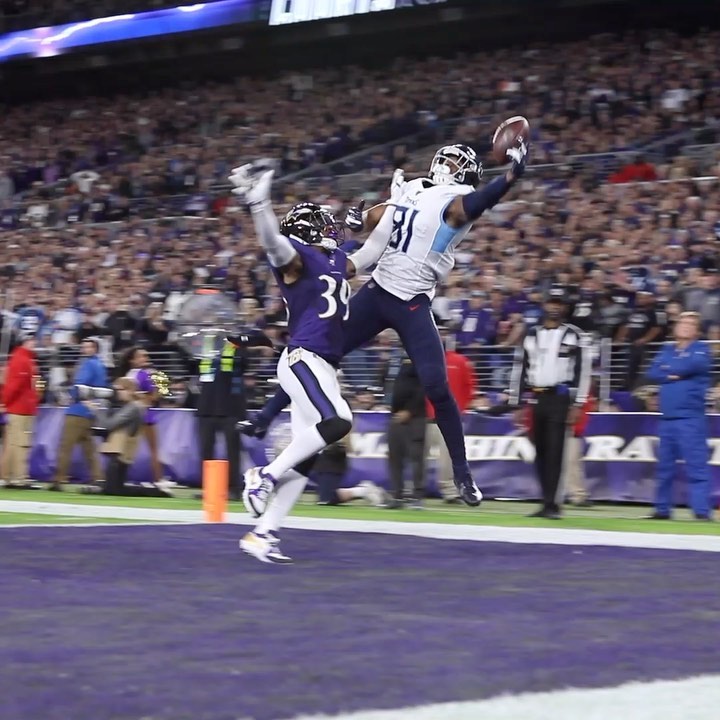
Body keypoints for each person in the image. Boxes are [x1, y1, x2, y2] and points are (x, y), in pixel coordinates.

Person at [242, 137, 529, 507]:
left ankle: (462, 473)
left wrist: (509, 178)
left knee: (437, 386)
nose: (450, 167)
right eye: (449, 160)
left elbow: (473, 205)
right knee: (318, 349)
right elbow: (383, 215)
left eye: (457, 163)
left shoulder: (458, 198)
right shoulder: (416, 187)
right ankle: (265, 416)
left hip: (411, 302)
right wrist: (361, 220)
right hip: (378, 290)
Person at [229, 163, 355, 564]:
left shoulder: (333, 262)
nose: (328, 228)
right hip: (304, 357)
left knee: (308, 454)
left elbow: (370, 252)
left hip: (322, 363)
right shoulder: (295, 255)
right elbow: (271, 241)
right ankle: (263, 475)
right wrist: (259, 203)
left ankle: (263, 533)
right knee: (338, 421)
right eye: (319, 222)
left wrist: (395, 207)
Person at [509, 286, 592, 519]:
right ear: (544, 305)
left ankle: (554, 504)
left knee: (556, 452)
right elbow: (520, 368)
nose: (554, 307)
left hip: (560, 397)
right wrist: (517, 402)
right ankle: (545, 501)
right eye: (551, 303)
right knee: (541, 452)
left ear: (565, 308)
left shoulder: (574, 335)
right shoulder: (531, 334)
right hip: (537, 397)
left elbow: (583, 371)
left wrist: (578, 403)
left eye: (559, 304)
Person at [645, 311, 713, 520]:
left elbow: (690, 366)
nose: (684, 326)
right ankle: (662, 509)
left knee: (696, 466)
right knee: (664, 467)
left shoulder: (702, 350)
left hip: (690, 419)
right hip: (667, 418)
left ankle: (701, 511)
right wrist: (673, 374)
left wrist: (669, 371)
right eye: (681, 322)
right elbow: (652, 372)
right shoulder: (667, 349)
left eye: (690, 324)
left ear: (697, 331)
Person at [425, 324, 476, 503]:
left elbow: (470, 388)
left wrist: (460, 410)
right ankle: (413, 490)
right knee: (417, 455)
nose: (441, 336)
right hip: (427, 417)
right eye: (439, 332)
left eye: (444, 332)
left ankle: (449, 492)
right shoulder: (426, 359)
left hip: (447, 418)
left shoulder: (460, 361)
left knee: (447, 458)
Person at [52, 338, 108, 491]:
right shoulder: (100, 365)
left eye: (88, 347)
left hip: (77, 410)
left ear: (94, 349)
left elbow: (79, 385)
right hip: (90, 411)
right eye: (83, 347)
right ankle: (98, 477)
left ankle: (59, 479)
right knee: (89, 448)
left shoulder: (87, 364)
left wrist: (70, 397)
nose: (84, 349)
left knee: (66, 446)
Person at [119, 346, 174, 495]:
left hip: (130, 415)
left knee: (126, 450)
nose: (145, 358)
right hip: (145, 416)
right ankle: (159, 480)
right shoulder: (144, 374)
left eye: (146, 356)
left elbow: (127, 397)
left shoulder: (128, 375)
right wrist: (158, 387)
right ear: (132, 360)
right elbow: (153, 398)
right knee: (153, 450)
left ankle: (120, 479)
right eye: (141, 356)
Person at [1, 333, 40, 488]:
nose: (34, 343)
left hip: (21, 408)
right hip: (21, 409)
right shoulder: (22, 360)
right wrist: (5, 402)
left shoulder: (24, 359)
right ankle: (19, 477)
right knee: (20, 444)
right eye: (31, 340)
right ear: (23, 342)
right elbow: (14, 386)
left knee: (13, 443)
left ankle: (10, 476)